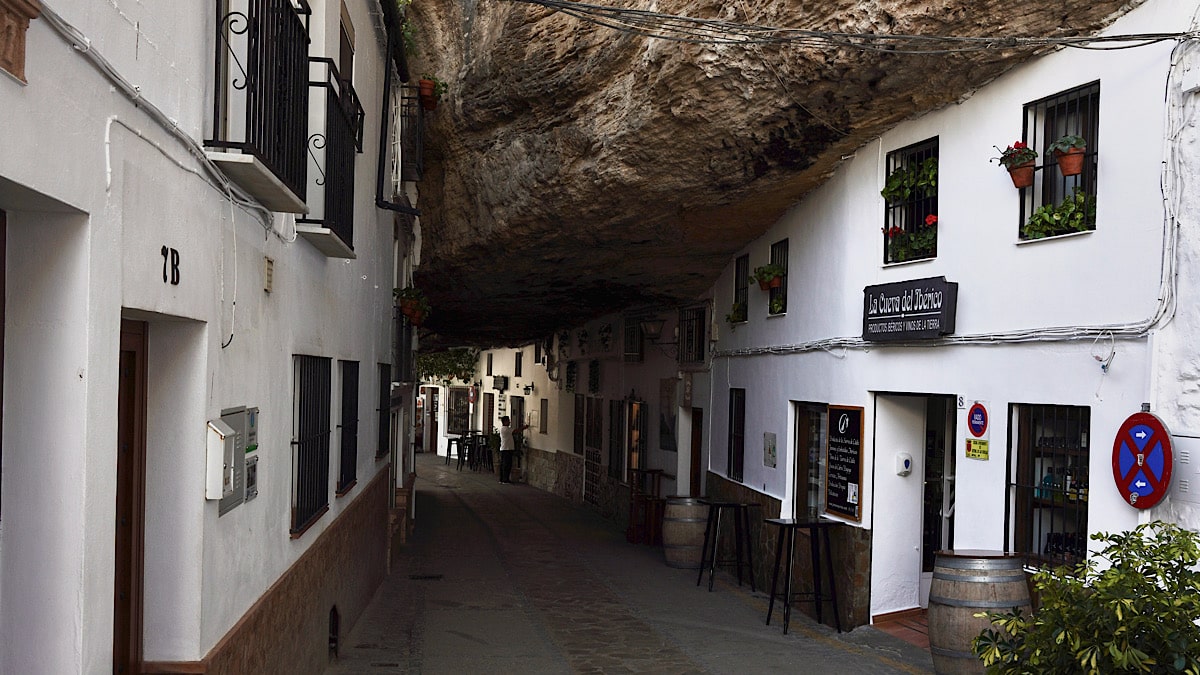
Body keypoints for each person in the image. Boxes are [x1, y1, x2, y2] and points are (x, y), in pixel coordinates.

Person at [498, 415, 527, 484]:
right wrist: (524, 427)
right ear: (505, 422)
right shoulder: (506, 429)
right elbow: (516, 431)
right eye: (508, 420)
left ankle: (502, 479)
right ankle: (505, 479)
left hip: (504, 448)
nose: (509, 422)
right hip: (507, 449)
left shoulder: (503, 429)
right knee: (507, 465)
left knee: (503, 464)